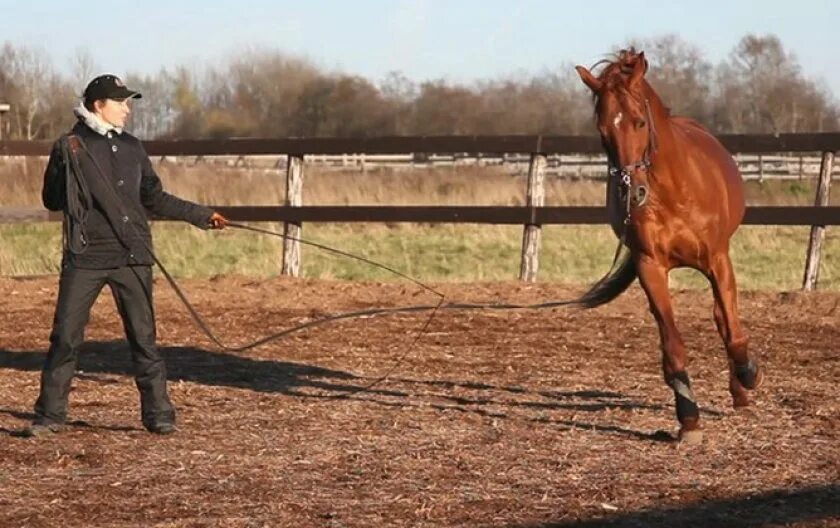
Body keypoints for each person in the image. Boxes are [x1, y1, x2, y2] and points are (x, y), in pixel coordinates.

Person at [24, 74, 228, 437]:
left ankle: (158, 414)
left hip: (133, 255)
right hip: (85, 256)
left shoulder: (133, 147)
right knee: (66, 338)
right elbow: (52, 201)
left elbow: (154, 198)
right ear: (98, 105)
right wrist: (60, 163)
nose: (127, 109)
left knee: (144, 338)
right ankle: (50, 416)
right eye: (121, 102)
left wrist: (201, 215)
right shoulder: (70, 146)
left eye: (128, 102)